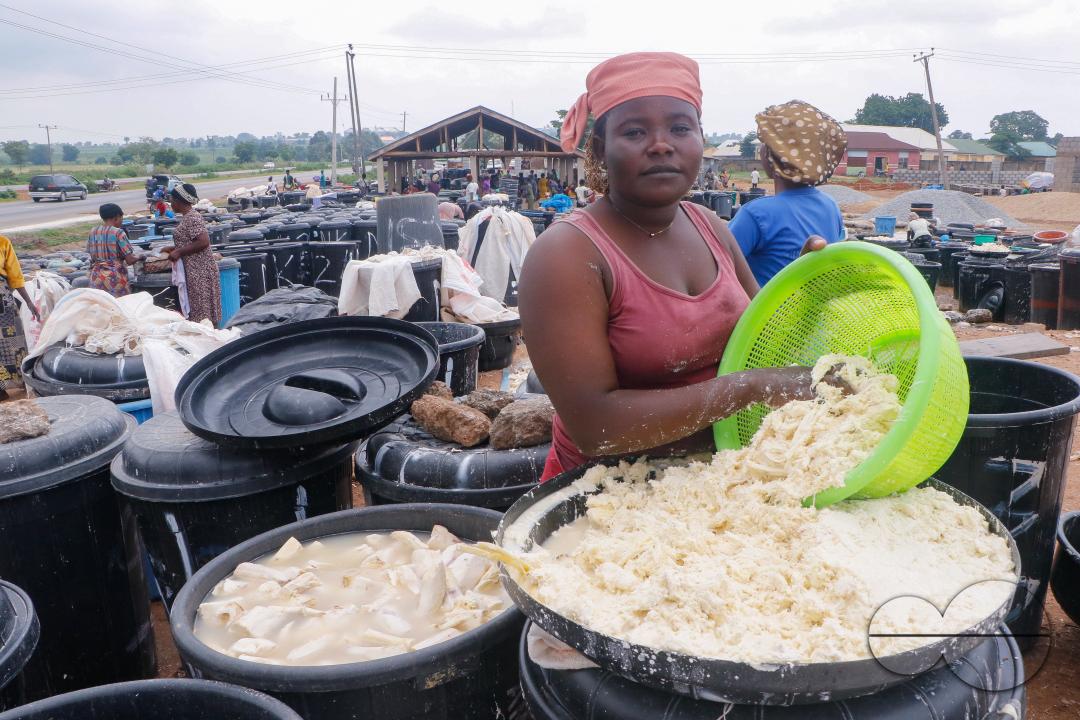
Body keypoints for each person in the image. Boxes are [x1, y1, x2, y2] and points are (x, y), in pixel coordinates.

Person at [519, 52, 832, 482]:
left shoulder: (708, 226)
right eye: (634, 131)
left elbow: (763, 346)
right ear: (600, 149)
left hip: (718, 480)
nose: (661, 144)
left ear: (699, 139)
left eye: (680, 128)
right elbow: (595, 427)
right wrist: (751, 388)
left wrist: (806, 291)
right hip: (605, 497)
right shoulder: (568, 254)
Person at [728, 100, 846, 287]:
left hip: (768, 315)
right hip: (815, 314)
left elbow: (716, 268)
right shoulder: (830, 206)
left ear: (771, 156)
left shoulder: (756, 215)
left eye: (765, 145)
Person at [160, 184, 221, 326]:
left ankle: (210, 340)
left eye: (172, 200)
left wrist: (179, 252)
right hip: (194, 271)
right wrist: (173, 248)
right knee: (199, 310)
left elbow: (203, 241)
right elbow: (190, 240)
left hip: (200, 271)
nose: (171, 204)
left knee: (203, 312)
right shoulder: (188, 217)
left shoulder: (192, 217)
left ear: (179, 200)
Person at [0, 233, 39, 398]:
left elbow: (15, 276)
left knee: (12, 342)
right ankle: (19, 381)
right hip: (2, 298)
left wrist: (29, 303)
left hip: (3, 299)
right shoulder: (2, 241)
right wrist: (28, 302)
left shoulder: (3, 242)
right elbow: (15, 276)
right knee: (12, 343)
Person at [87, 203, 139, 297]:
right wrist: (141, 257)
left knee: (101, 306)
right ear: (116, 217)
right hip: (115, 278)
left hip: (96, 276)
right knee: (119, 306)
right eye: (121, 219)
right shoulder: (118, 232)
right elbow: (130, 260)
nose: (121, 222)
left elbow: (92, 257)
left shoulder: (93, 231)